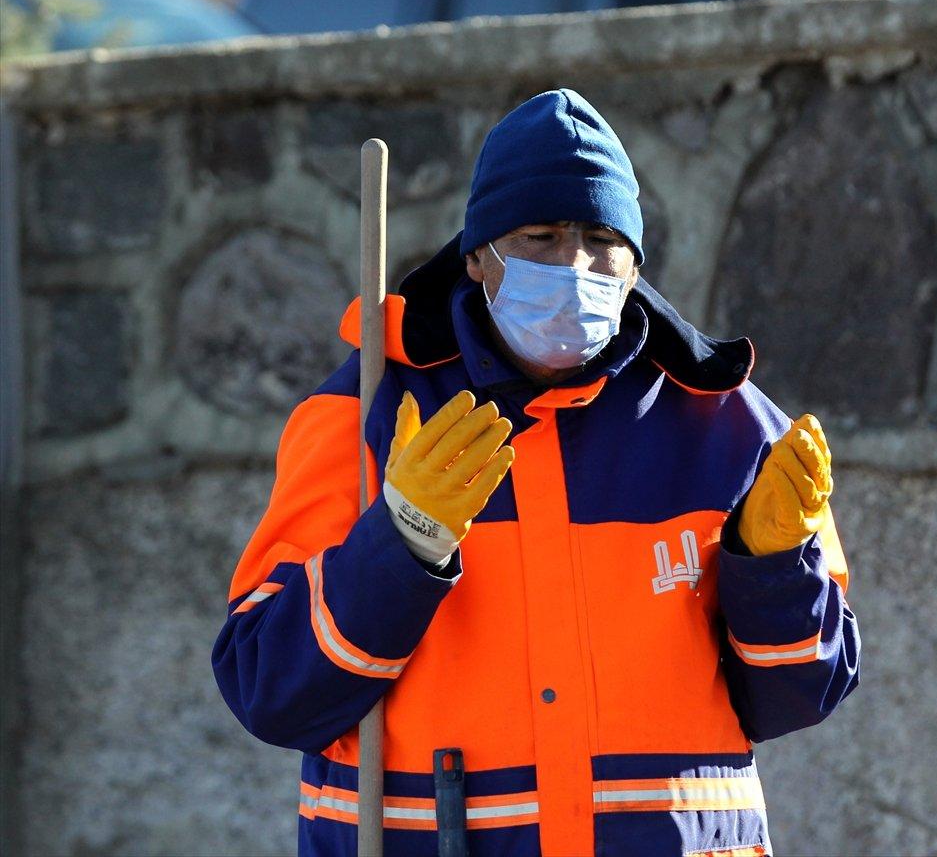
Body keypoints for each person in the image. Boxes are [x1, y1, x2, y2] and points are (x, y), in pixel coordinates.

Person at [213, 89, 860, 857]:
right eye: (542, 236)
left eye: (599, 238)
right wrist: (400, 544)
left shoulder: (731, 425)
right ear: (479, 254)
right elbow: (269, 689)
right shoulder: (366, 411)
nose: (575, 264)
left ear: (635, 262)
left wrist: (773, 567)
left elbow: (801, 692)